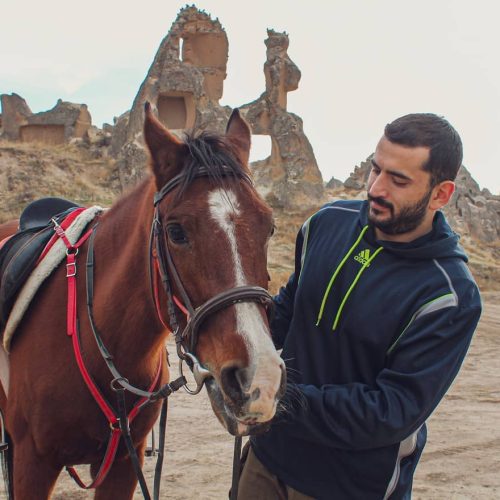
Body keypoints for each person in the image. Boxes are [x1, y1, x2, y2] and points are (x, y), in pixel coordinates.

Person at [237, 113, 482, 499]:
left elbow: (391, 412)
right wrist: (224, 337)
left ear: (441, 194)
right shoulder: (324, 224)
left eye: (398, 180)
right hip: (268, 461)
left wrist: (278, 398)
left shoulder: (448, 295)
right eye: (375, 169)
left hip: (350, 485)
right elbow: (285, 315)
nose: (376, 188)